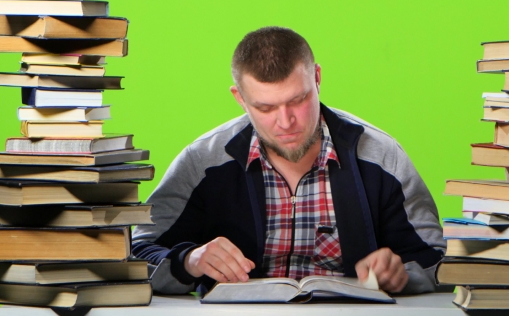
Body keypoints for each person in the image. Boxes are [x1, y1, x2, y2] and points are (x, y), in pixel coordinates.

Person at [132, 26, 446, 295]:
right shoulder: (202, 162)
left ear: (318, 78)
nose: (285, 122)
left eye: (298, 100)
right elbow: (134, 254)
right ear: (239, 98)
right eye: (266, 108)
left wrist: (403, 274)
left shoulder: (383, 156)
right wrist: (189, 262)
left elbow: (437, 261)